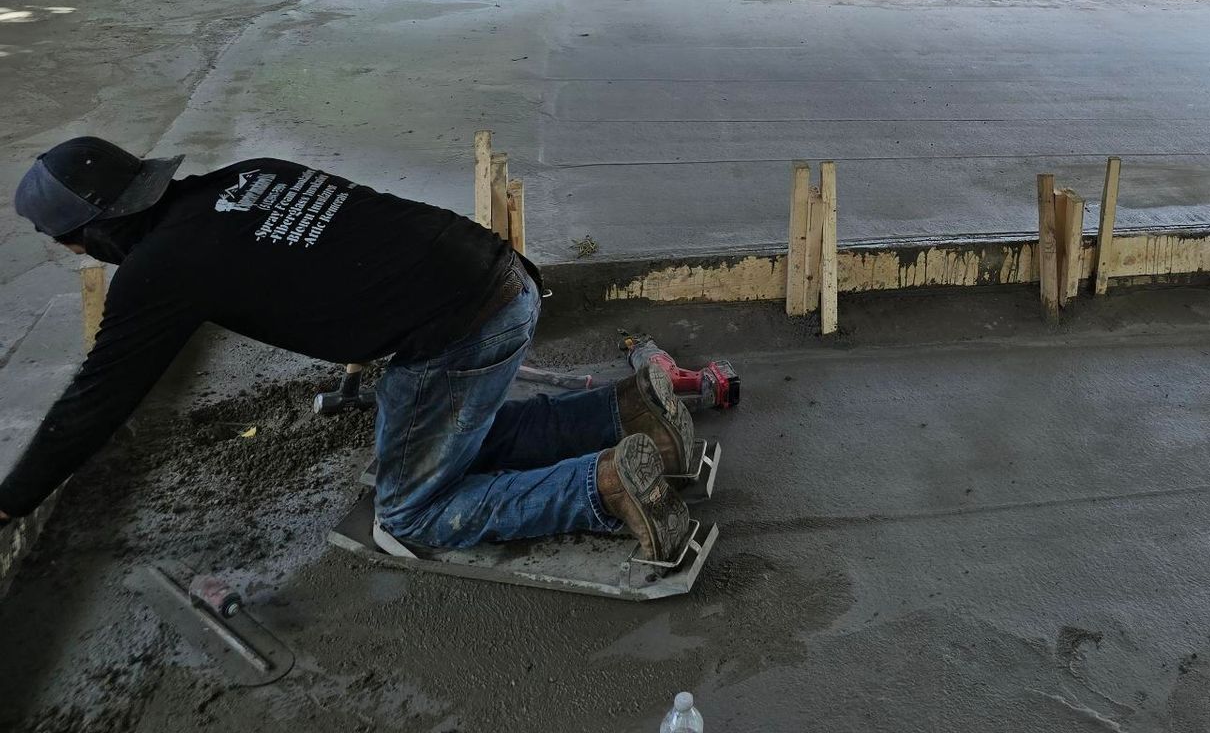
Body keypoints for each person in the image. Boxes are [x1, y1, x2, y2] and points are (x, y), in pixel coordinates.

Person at [0, 137, 696, 556]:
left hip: (464, 327)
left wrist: (12, 500)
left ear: (87, 235)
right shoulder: (247, 174)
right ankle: (633, 416)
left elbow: (95, 402)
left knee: (413, 510)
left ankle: (601, 485)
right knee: (452, 435)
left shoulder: (159, 272)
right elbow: (351, 230)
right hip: (501, 276)